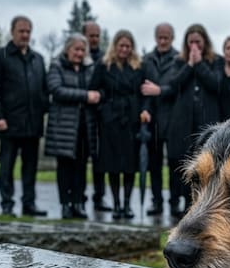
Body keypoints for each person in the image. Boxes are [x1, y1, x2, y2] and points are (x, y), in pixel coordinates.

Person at [0, 15, 48, 217]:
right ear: (12, 32)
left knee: (30, 168)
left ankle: (29, 204)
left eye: (28, 31)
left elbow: (43, 90)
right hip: (9, 123)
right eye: (21, 31)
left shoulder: (38, 59)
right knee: (7, 166)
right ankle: (7, 204)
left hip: (32, 123)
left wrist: (45, 111)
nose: (25, 35)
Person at [160, 24, 222, 217]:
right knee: (177, 162)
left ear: (205, 42)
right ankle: (172, 202)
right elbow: (172, 85)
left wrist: (200, 64)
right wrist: (189, 65)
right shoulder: (179, 62)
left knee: (200, 165)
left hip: (205, 121)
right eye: (191, 42)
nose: (194, 45)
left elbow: (216, 85)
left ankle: (192, 204)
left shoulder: (215, 61)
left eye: (198, 42)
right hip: (181, 122)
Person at [90, 30, 146, 220]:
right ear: (115, 46)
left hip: (131, 121)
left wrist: (143, 110)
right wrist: (105, 108)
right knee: (112, 165)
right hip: (110, 122)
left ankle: (127, 204)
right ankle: (115, 204)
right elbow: (94, 89)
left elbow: (143, 93)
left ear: (132, 48)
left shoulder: (138, 67)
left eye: (128, 46)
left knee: (129, 166)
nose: (124, 49)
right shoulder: (104, 66)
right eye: (121, 45)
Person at [44, 33, 101, 219]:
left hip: (84, 127)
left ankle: (78, 203)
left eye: (82, 50)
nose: (79, 53)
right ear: (67, 49)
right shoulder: (57, 66)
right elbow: (56, 90)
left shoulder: (89, 68)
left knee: (81, 168)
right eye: (76, 49)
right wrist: (85, 96)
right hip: (64, 128)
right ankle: (65, 204)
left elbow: (98, 88)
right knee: (65, 168)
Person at [140, 23, 178, 216]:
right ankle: (156, 201)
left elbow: (178, 87)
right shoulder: (146, 60)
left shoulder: (179, 59)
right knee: (154, 165)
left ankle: (174, 202)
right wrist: (145, 109)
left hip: (173, 119)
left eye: (167, 37)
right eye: (160, 37)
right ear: (156, 38)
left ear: (172, 38)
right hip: (153, 121)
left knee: (174, 165)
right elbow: (143, 91)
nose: (163, 41)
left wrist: (160, 90)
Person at [82, 21, 111, 212]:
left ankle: (99, 197)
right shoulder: (75, 55)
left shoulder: (104, 59)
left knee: (99, 161)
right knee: (79, 162)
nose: (94, 39)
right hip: (80, 116)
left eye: (97, 36)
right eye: (91, 35)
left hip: (98, 117)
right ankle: (80, 198)